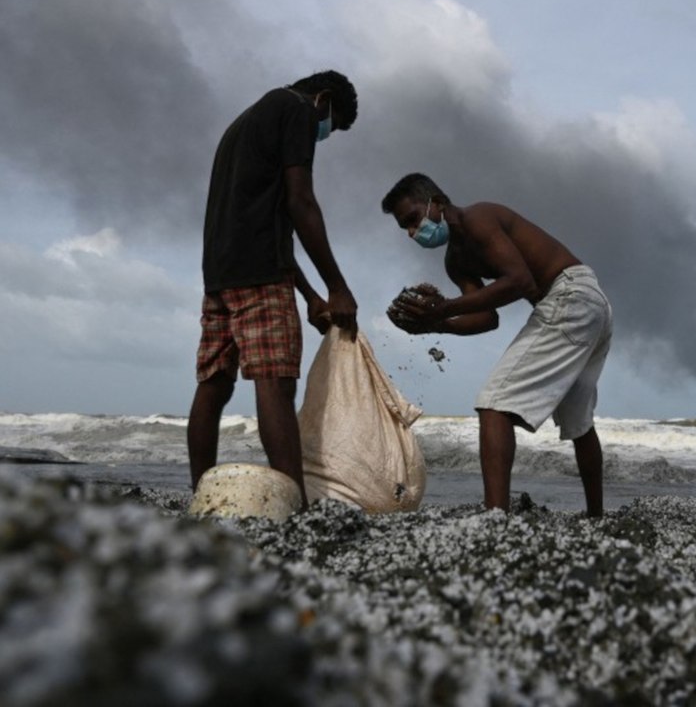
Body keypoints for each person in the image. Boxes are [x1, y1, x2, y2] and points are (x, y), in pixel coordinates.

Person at [381, 173, 613, 517]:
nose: (413, 233)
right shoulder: (454, 261)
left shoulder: (479, 217)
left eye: (413, 220)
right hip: (591, 304)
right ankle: (596, 517)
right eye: (406, 229)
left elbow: (520, 281)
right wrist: (435, 325)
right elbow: (487, 318)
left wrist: (444, 308)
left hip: (570, 296)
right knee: (579, 421)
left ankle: (495, 519)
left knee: (493, 405)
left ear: (437, 202)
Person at [187, 70, 359, 509]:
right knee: (275, 384)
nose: (323, 134)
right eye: (332, 124)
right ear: (323, 99)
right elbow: (301, 203)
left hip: (220, 277)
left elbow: (268, 222)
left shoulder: (243, 124)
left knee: (214, 385)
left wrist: (310, 295)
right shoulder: (297, 109)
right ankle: (294, 506)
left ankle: (200, 496)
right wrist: (337, 287)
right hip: (261, 277)